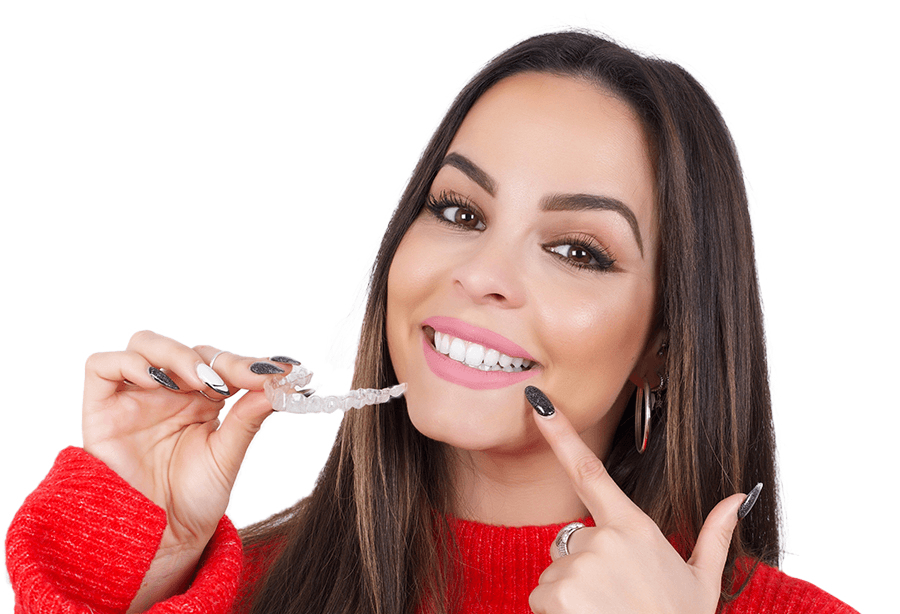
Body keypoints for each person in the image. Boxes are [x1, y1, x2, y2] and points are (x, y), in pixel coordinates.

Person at [6, 30, 856, 614]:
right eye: (457, 210)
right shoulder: (233, 593)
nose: (480, 274)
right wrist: (125, 573)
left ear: (665, 348)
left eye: (578, 251)